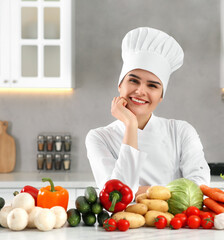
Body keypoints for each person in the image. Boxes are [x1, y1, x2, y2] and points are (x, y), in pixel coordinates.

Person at [86, 27, 210, 197]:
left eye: (152, 85)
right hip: (125, 222)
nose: (140, 91)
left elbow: (200, 186)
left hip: (173, 223)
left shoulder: (181, 131)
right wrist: (130, 125)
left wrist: (138, 192)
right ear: (120, 86)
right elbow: (116, 196)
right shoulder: (99, 137)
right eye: (133, 81)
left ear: (161, 96)